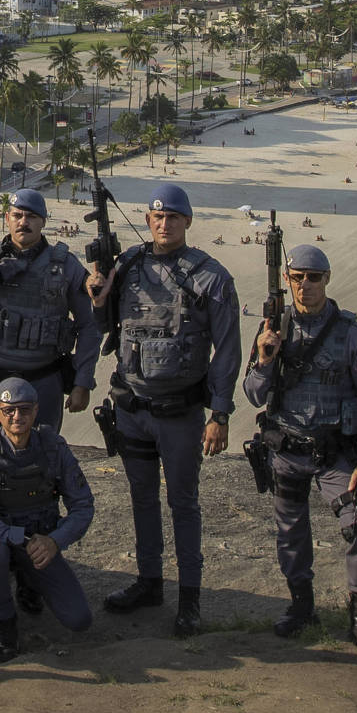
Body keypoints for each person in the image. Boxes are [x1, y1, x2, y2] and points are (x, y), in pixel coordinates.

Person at [86, 183, 241, 638]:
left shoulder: (212, 277)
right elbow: (104, 325)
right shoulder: (129, 264)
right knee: (141, 500)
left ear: (187, 222)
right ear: (148, 220)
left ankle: (189, 597)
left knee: (183, 503)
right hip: (132, 405)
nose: (164, 224)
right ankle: (149, 581)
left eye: (173, 217)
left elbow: (227, 351)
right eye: (157, 217)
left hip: (180, 412)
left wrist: (221, 415)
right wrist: (98, 294)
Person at [242, 245, 357, 661]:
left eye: (313, 277)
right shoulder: (274, 328)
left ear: (327, 280)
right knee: (290, 532)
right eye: (297, 278)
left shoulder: (349, 333)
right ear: (287, 281)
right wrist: (264, 358)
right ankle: (302, 605)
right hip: (287, 450)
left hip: (335, 455)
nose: (305, 285)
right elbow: (254, 395)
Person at [0, 378, 94, 662]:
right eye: (9, 410)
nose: (17, 417)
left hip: (42, 542)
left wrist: (55, 541)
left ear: (35, 411)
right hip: (3, 539)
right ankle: (3, 621)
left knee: (79, 619)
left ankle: (30, 582)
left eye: (24, 410)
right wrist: (13, 536)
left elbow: (83, 506)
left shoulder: (54, 448)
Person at [0, 187, 98, 438]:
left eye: (31, 217)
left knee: (42, 459)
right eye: (18, 215)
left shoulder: (66, 266)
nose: (24, 222)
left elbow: (90, 325)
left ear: (43, 221)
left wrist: (82, 382)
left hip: (43, 381)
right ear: (7, 218)